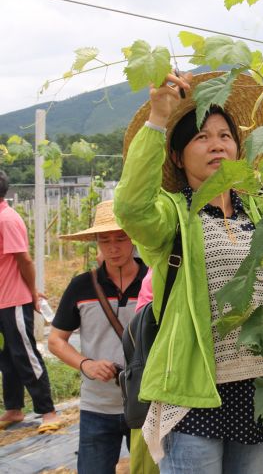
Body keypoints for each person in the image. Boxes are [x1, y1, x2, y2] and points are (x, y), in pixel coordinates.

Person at [114, 71, 263, 473]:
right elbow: (131, 209)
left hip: (258, 387)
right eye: (200, 137)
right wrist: (158, 119)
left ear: (239, 148)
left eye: (224, 135)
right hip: (193, 394)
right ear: (177, 156)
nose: (216, 145)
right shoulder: (173, 216)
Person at [48, 200, 148, 474]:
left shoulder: (153, 281)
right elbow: (56, 340)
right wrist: (86, 364)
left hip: (147, 402)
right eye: (105, 240)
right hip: (97, 405)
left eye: (120, 238)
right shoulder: (81, 286)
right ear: (96, 243)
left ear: (134, 238)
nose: (113, 247)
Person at [0, 170, 60, 433]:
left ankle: (48, 410)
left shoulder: (7, 219)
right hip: (2, 301)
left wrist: (33, 293)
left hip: (13, 300)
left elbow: (24, 260)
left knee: (25, 355)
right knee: (7, 358)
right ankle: (13, 409)